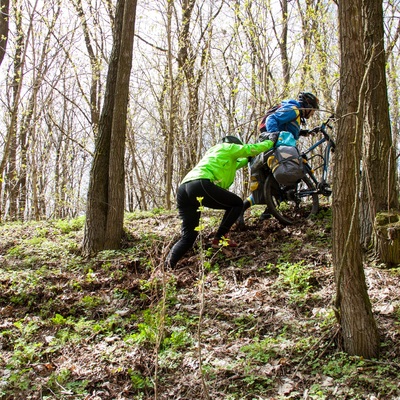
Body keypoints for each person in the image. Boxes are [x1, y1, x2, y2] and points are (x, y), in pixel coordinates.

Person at [165, 133, 279, 268]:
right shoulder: (228, 147)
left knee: (188, 237)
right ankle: (219, 238)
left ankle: (166, 268)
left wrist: (250, 159)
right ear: (234, 145)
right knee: (236, 204)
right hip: (200, 183)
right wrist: (270, 143)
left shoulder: (215, 153)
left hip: (184, 189)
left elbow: (242, 160)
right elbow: (251, 149)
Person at [238, 91, 320, 225]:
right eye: (312, 110)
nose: (312, 114)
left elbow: (287, 127)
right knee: (290, 170)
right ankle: (265, 210)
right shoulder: (294, 110)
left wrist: (303, 133)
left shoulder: (295, 114)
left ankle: (252, 210)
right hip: (274, 146)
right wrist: (274, 137)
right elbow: (272, 119)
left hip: (271, 147)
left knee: (271, 184)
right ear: (307, 106)